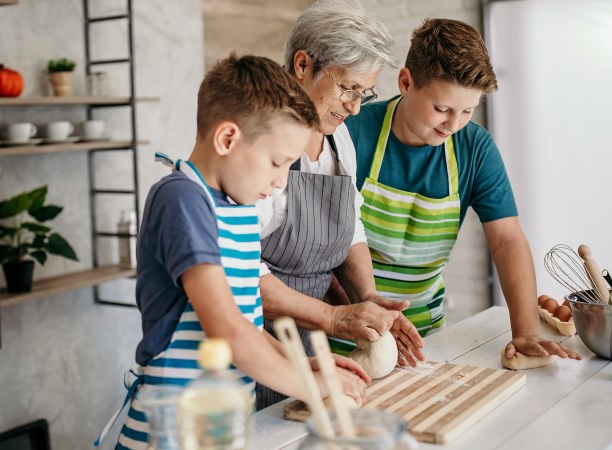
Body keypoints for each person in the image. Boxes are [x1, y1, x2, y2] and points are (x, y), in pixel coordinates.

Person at [104, 54, 369, 450]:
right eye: (278, 163)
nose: (281, 183)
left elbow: (248, 323)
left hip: (220, 424)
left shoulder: (238, 207)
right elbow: (227, 331)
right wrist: (310, 385)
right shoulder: (181, 199)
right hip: (171, 430)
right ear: (227, 139)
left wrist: (303, 363)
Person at [342, 18, 582, 361]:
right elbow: (328, 247)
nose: (453, 125)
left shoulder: (474, 148)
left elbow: (507, 240)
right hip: (344, 334)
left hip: (424, 338)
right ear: (406, 82)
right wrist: (364, 316)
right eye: (442, 109)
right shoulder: (353, 132)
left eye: (467, 110)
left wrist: (526, 331)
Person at [255, 0, 424, 408]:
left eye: (364, 94)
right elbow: (239, 270)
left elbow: (350, 226)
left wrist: (366, 297)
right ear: (302, 66)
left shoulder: (338, 139)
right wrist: (334, 317)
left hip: (311, 344)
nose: (353, 106)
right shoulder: (261, 140)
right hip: (256, 347)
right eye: (347, 88)